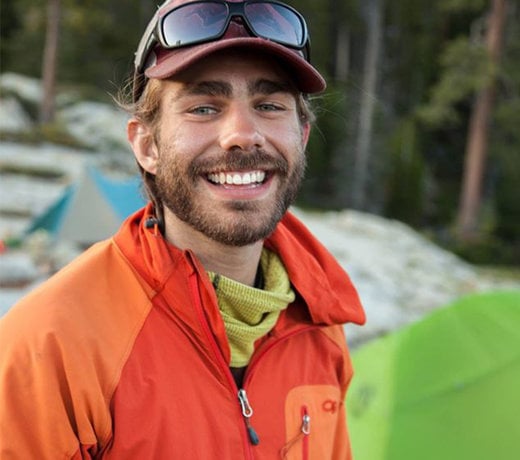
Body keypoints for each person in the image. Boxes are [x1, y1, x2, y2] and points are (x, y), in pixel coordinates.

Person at [0, 0, 365, 458]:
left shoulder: (320, 329)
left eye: (269, 105)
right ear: (147, 146)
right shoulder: (50, 345)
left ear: (302, 137)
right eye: (204, 108)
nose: (242, 134)